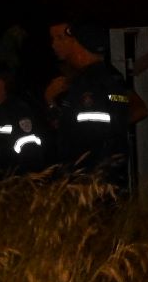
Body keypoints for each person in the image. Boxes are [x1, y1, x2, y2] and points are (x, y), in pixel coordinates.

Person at [46, 22, 138, 191]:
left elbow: (88, 135)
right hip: (95, 181)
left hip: (92, 184)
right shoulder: (89, 80)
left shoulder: (95, 81)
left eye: (60, 38)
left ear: (76, 43)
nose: (54, 44)